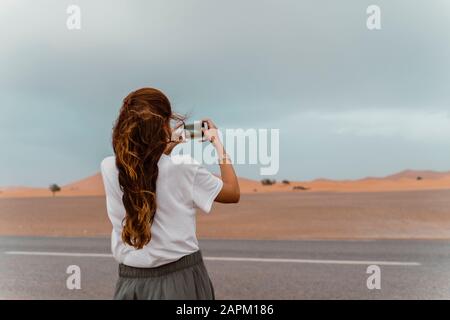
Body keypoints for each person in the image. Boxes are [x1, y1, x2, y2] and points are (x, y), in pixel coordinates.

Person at [100, 87, 240, 300]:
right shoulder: (184, 169)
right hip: (180, 281)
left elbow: (149, 171)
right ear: (163, 125)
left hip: (130, 284)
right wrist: (217, 144)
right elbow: (232, 192)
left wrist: (165, 147)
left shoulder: (109, 167)